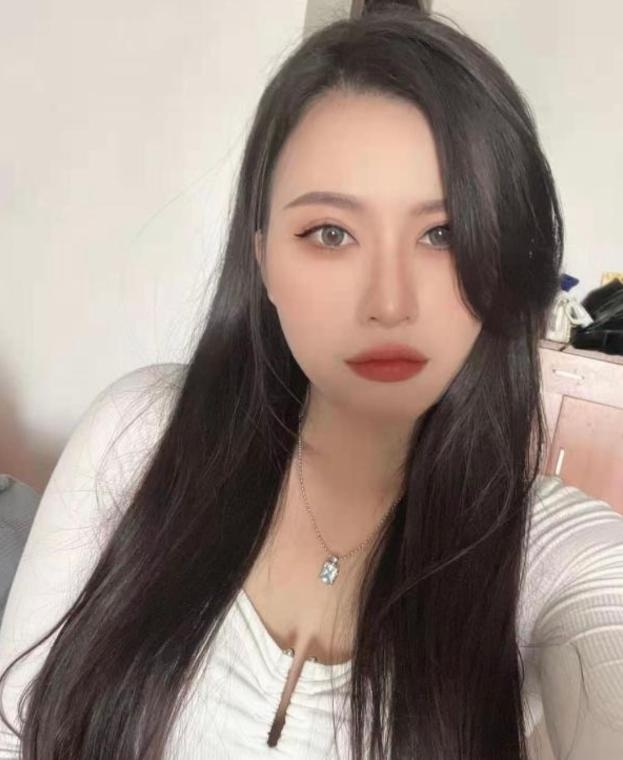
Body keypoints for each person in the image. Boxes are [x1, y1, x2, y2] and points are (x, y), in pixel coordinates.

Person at [1, 1, 622, 758]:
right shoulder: (141, 432)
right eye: (330, 233)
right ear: (261, 257)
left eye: (443, 233)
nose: (389, 303)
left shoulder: (550, 559)